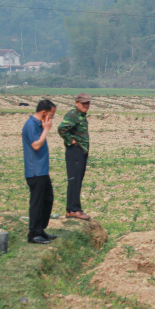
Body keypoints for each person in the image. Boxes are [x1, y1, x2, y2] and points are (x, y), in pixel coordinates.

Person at [22, 99, 57, 244]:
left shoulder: (38, 125)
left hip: (42, 170)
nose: (51, 119)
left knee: (47, 199)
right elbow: (36, 145)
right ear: (43, 113)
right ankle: (34, 234)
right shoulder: (31, 125)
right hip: (35, 171)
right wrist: (47, 129)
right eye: (51, 115)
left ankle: (40, 229)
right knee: (37, 202)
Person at [57, 92, 92, 220]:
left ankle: (72, 209)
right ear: (76, 103)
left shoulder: (81, 115)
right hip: (75, 151)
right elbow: (62, 128)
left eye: (87, 103)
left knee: (77, 179)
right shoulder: (73, 114)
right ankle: (74, 209)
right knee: (74, 180)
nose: (86, 105)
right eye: (83, 103)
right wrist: (70, 140)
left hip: (81, 150)